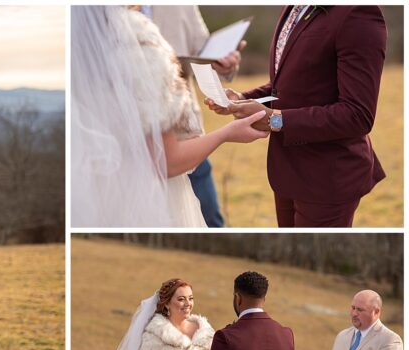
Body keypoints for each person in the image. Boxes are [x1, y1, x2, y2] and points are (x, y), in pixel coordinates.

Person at [70, 5, 268, 228]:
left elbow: (204, 50)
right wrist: (227, 133)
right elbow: (166, 162)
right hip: (165, 159)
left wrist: (224, 64)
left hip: (101, 172)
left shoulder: (75, 35)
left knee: (211, 217)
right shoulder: (136, 37)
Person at [206, 6, 387, 227]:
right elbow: (290, 84)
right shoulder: (292, 7)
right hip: (286, 170)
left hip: (327, 177)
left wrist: (275, 119)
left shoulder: (358, 13)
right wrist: (242, 98)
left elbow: (357, 114)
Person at [141, 5, 245, 227]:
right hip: (130, 140)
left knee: (209, 221)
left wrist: (225, 63)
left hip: (187, 136)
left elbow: (206, 55)